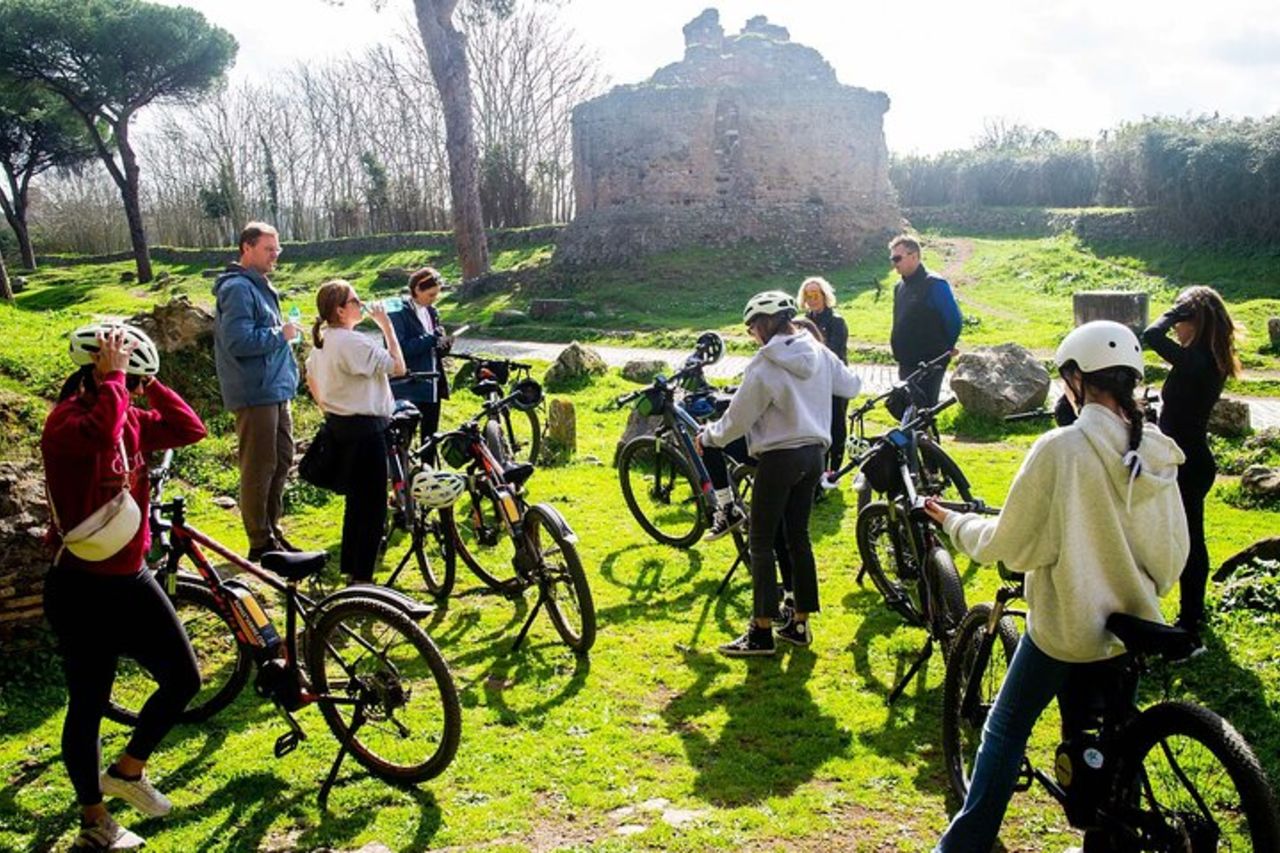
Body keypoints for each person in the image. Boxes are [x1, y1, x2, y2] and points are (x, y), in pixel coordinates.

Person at [923, 320, 1189, 852]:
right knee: (1117, 742)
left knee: (1004, 727)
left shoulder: (1061, 448)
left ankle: (963, 845)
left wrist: (954, 523)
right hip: (1132, 623)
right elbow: (1173, 553)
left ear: (1075, 378)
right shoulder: (1158, 451)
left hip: (1067, 626)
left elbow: (1014, 546)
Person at [42, 323, 208, 850]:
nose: (134, 393)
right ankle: (95, 821)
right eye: (128, 383)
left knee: (183, 679)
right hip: (82, 590)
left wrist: (150, 379)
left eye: (134, 384)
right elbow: (99, 435)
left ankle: (128, 771)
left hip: (131, 580)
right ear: (97, 375)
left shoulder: (129, 414)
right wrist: (115, 380)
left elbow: (189, 429)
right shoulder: (65, 424)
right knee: (88, 703)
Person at [696, 291, 862, 656]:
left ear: (763, 324)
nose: (752, 335)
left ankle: (760, 632)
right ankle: (799, 624)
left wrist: (706, 436)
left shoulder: (765, 363)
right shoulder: (818, 350)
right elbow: (852, 386)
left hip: (779, 457)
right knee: (797, 537)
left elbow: (736, 421)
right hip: (814, 455)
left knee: (761, 541)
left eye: (752, 327)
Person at [1143, 286, 1241, 641]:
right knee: (1183, 535)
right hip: (1187, 457)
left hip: (1190, 462)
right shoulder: (1202, 357)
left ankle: (1191, 617)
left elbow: (1151, 334)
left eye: (1182, 320)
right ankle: (1187, 611)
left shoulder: (1198, 359)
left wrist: (1175, 310)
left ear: (1194, 320)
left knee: (1190, 540)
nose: (1176, 328)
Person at [305, 280, 406, 583]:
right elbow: (398, 367)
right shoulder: (352, 342)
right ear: (339, 309)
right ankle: (362, 577)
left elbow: (312, 383)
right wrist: (387, 326)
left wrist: (329, 407)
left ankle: (352, 569)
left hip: (341, 428)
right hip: (366, 432)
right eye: (354, 300)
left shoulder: (323, 342)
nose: (360, 304)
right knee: (373, 506)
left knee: (356, 503)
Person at [213, 222, 302, 561]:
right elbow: (239, 341)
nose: (275, 255)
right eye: (269, 249)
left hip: (276, 390)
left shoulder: (260, 286)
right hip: (255, 392)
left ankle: (272, 532)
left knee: (280, 462)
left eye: (277, 248)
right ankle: (259, 542)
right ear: (246, 248)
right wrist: (281, 334)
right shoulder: (237, 288)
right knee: (259, 466)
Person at [888, 234, 962, 409]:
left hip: (930, 360)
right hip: (906, 359)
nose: (894, 263)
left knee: (924, 409)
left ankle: (927, 436)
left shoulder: (934, 284)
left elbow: (953, 319)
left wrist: (946, 347)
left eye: (897, 258)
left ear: (914, 256)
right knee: (904, 407)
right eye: (892, 259)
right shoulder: (899, 287)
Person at [387, 266, 452, 447]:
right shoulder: (398, 312)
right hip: (409, 385)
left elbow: (432, 348)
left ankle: (427, 471)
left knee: (430, 439)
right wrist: (431, 339)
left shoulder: (432, 312)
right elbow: (399, 348)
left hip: (432, 385)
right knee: (403, 441)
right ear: (417, 289)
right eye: (430, 295)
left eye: (436, 295)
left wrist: (443, 345)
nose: (434, 300)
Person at [798, 276, 851, 473]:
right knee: (816, 427)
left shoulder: (837, 321)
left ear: (824, 296)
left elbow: (833, 352)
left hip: (835, 381)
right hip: (812, 382)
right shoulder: (802, 322)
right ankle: (818, 469)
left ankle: (835, 470)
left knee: (836, 425)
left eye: (815, 295)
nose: (812, 299)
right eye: (808, 295)